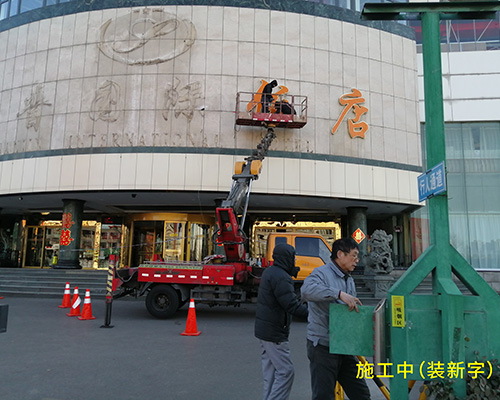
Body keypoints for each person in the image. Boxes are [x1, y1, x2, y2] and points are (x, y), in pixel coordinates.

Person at [301, 237, 371, 400]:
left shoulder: (349, 278)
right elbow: (306, 291)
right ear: (340, 254)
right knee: (324, 395)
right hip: (323, 347)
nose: (357, 260)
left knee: (361, 393)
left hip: (344, 346)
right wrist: (338, 294)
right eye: (354, 255)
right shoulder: (321, 273)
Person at [255, 243, 308, 400]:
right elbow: (291, 304)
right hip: (274, 333)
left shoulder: (271, 272)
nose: (295, 260)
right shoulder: (281, 277)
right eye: (293, 257)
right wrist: (312, 314)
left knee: (271, 373)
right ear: (286, 258)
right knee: (286, 372)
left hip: (265, 331)